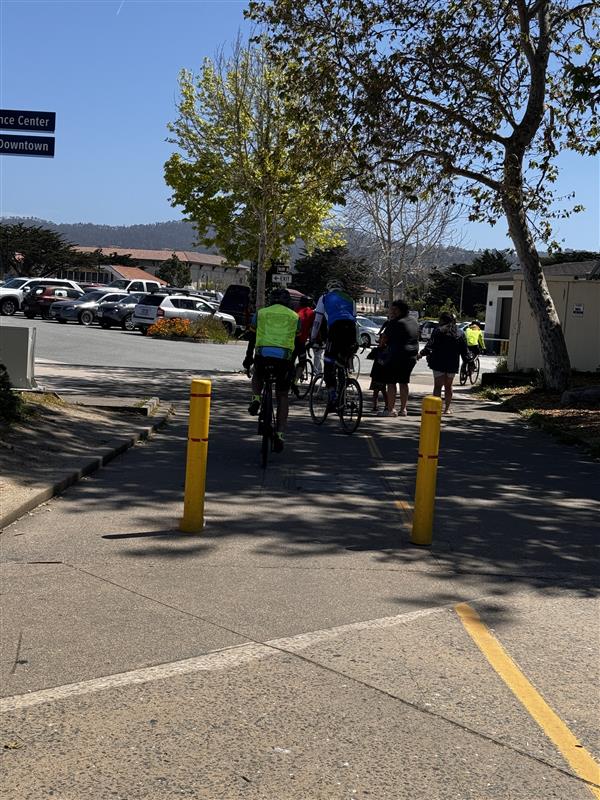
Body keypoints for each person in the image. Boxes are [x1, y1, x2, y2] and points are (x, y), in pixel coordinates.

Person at [242, 288, 300, 452]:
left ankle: (256, 398)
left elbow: (252, 339)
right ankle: (280, 434)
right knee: (282, 395)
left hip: (263, 355)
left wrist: (248, 358)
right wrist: (294, 365)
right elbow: (297, 344)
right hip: (284, 359)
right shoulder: (295, 317)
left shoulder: (261, 314)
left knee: (257, 374)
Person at [310, 279, 358, 409]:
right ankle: (344, 391)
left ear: (329, 288)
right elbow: (354, 319)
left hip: (336, 329)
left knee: (328, 362)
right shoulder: (350, 298)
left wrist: (312, 338)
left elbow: (318, 320)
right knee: (343, 361)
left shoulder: (324, 297)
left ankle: (333, 395)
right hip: (351, 330)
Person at [417, 311, 470, 414]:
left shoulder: (438, 331)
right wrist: (469, 362)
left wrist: (421, 354)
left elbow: (430, 346)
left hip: (438, 361)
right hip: (452, 362)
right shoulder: (460, 333)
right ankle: (447, 409)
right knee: (448, 386)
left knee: (438, 386)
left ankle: (436, 408)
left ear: (442, 320)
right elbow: (464, 350)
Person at [377, 300, 419, 417]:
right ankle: (403, 409)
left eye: (393, 309)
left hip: (396, 355)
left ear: (399, 310)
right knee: (404, 382)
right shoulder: (414, 321)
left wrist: (381, 346)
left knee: (391, 382)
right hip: (411, 356)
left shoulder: (394, 322)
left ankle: (390, 410)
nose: (391, 311)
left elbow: (384, 339)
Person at [291, 296, 315, 396]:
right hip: (301, 342)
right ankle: (295, 381)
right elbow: (313, 329)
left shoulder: (295, 311)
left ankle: (289, 375)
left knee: (290, 360)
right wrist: (313, 341)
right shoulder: (311, 313)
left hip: (290, 340)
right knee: (302, 362)